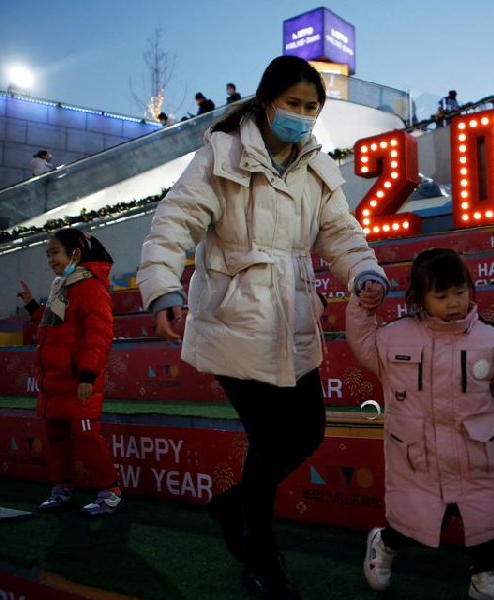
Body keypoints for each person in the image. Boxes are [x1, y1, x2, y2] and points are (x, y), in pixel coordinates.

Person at [136, 55, 388, 599]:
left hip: (294, 317)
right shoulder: (221, 153)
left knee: (309, 431)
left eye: (311, 108)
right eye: (293, 104)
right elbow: (175, 220)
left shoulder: (318, 167)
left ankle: (235, 509)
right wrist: (162, 286)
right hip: (231, 316)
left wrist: (363, 269)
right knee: (271, 437)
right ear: (267, 101)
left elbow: (341, 232)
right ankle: (258, 558)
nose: (301, 116)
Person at [346, 248, 494, 600]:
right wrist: (364, 304)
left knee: (490, 522)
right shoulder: (394, 337)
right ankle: (384, 545)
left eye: (460, 292)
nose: (454, 302)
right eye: (441, 296)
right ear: (419, 299)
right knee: (414, 523)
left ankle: (485, 579)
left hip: (479, 454)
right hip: (419, 457)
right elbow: (361, 342)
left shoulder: (492, 340)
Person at [17, 228, 122, 516]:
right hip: (55, 382)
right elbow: (55, 327)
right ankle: (62, 488)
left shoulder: (91, 288)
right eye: (48, 254)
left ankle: (109, 492)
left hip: (79, 382)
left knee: (87, 437)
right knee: (58, 438)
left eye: (54, 253)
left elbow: (98, 335)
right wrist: (31, 307)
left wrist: (88, 375)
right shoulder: (63, 286)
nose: (50, 260)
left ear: (75, 253)